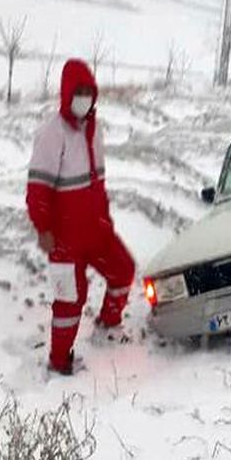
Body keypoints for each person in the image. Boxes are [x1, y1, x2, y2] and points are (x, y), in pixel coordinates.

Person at [26, 58, 135, 375]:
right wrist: (43, 228)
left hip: (97, 231)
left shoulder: (95, 129)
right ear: (66, 93)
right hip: (64, 239)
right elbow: (38, 188)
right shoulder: (51, 133)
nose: (84, 97)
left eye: (89, 91)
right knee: (70, 301)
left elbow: (96, 182)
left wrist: (105, 218)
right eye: (79, 91)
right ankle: (59, 362)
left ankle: (109, 324)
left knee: (123, 271)